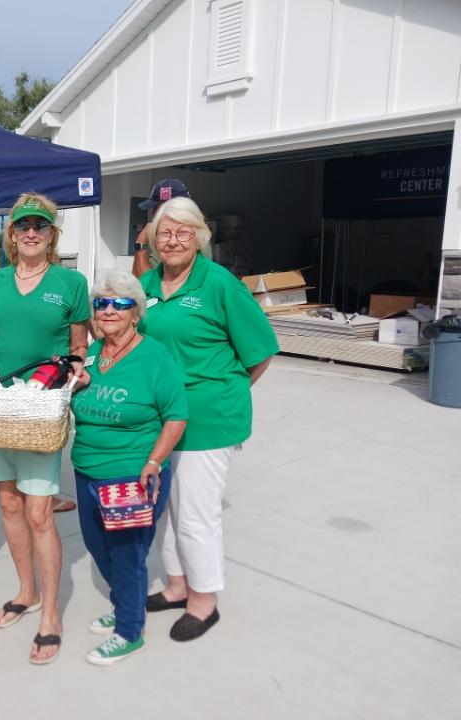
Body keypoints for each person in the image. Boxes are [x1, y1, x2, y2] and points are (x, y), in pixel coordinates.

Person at [140, 197, 279, 641]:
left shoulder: (220, 284)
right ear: (153, 240)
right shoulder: (145, 283)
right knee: (165, 509)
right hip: (159, 421)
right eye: (165, 232)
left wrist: (224, 391)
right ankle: (178, 585)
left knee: (196, 515)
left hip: (207, 420)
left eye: (184, 232)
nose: (174, 240)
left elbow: (260, 352)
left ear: (199, 237)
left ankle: (204, 601)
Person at [0, 192, 89, 665]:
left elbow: (79, 345)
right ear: (11, 235)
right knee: (7, 503)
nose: (31, 232)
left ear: (52, 234)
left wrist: (77, 370)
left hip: (40, 410)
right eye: (22, 226)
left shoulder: (70, 282)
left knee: (39, 513)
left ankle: (51, 614)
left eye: (40, 226)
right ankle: (26, 590)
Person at [69, 270, 188, 665]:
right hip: (86, 468)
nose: (108, 310)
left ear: (135, 311)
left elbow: (176, 416)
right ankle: (126, 605)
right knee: (96, 546)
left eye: (119, 303)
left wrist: (155, 461)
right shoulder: (89, 355)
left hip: (133, 473)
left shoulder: (155, 356)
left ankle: (129, 630)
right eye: (101, 303)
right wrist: (72, 384)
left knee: (127, 554)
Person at [132, 178, 191, 278]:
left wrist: (141, 243)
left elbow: (145, 284)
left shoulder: (182, 240)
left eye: (158, 209)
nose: (153, 214)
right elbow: (135, 279)